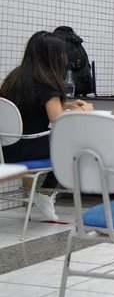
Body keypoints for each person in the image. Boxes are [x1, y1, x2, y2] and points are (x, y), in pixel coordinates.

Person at [0, 31, 94, 221]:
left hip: (7, 150)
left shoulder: (14, 78)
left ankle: (45, 194)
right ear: (52, 57)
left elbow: (32, 107)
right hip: (29, 150)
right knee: (77, 146)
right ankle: (46, 193)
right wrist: (84, 110)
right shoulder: (46, 83)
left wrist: (67, 105)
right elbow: (58, 119)